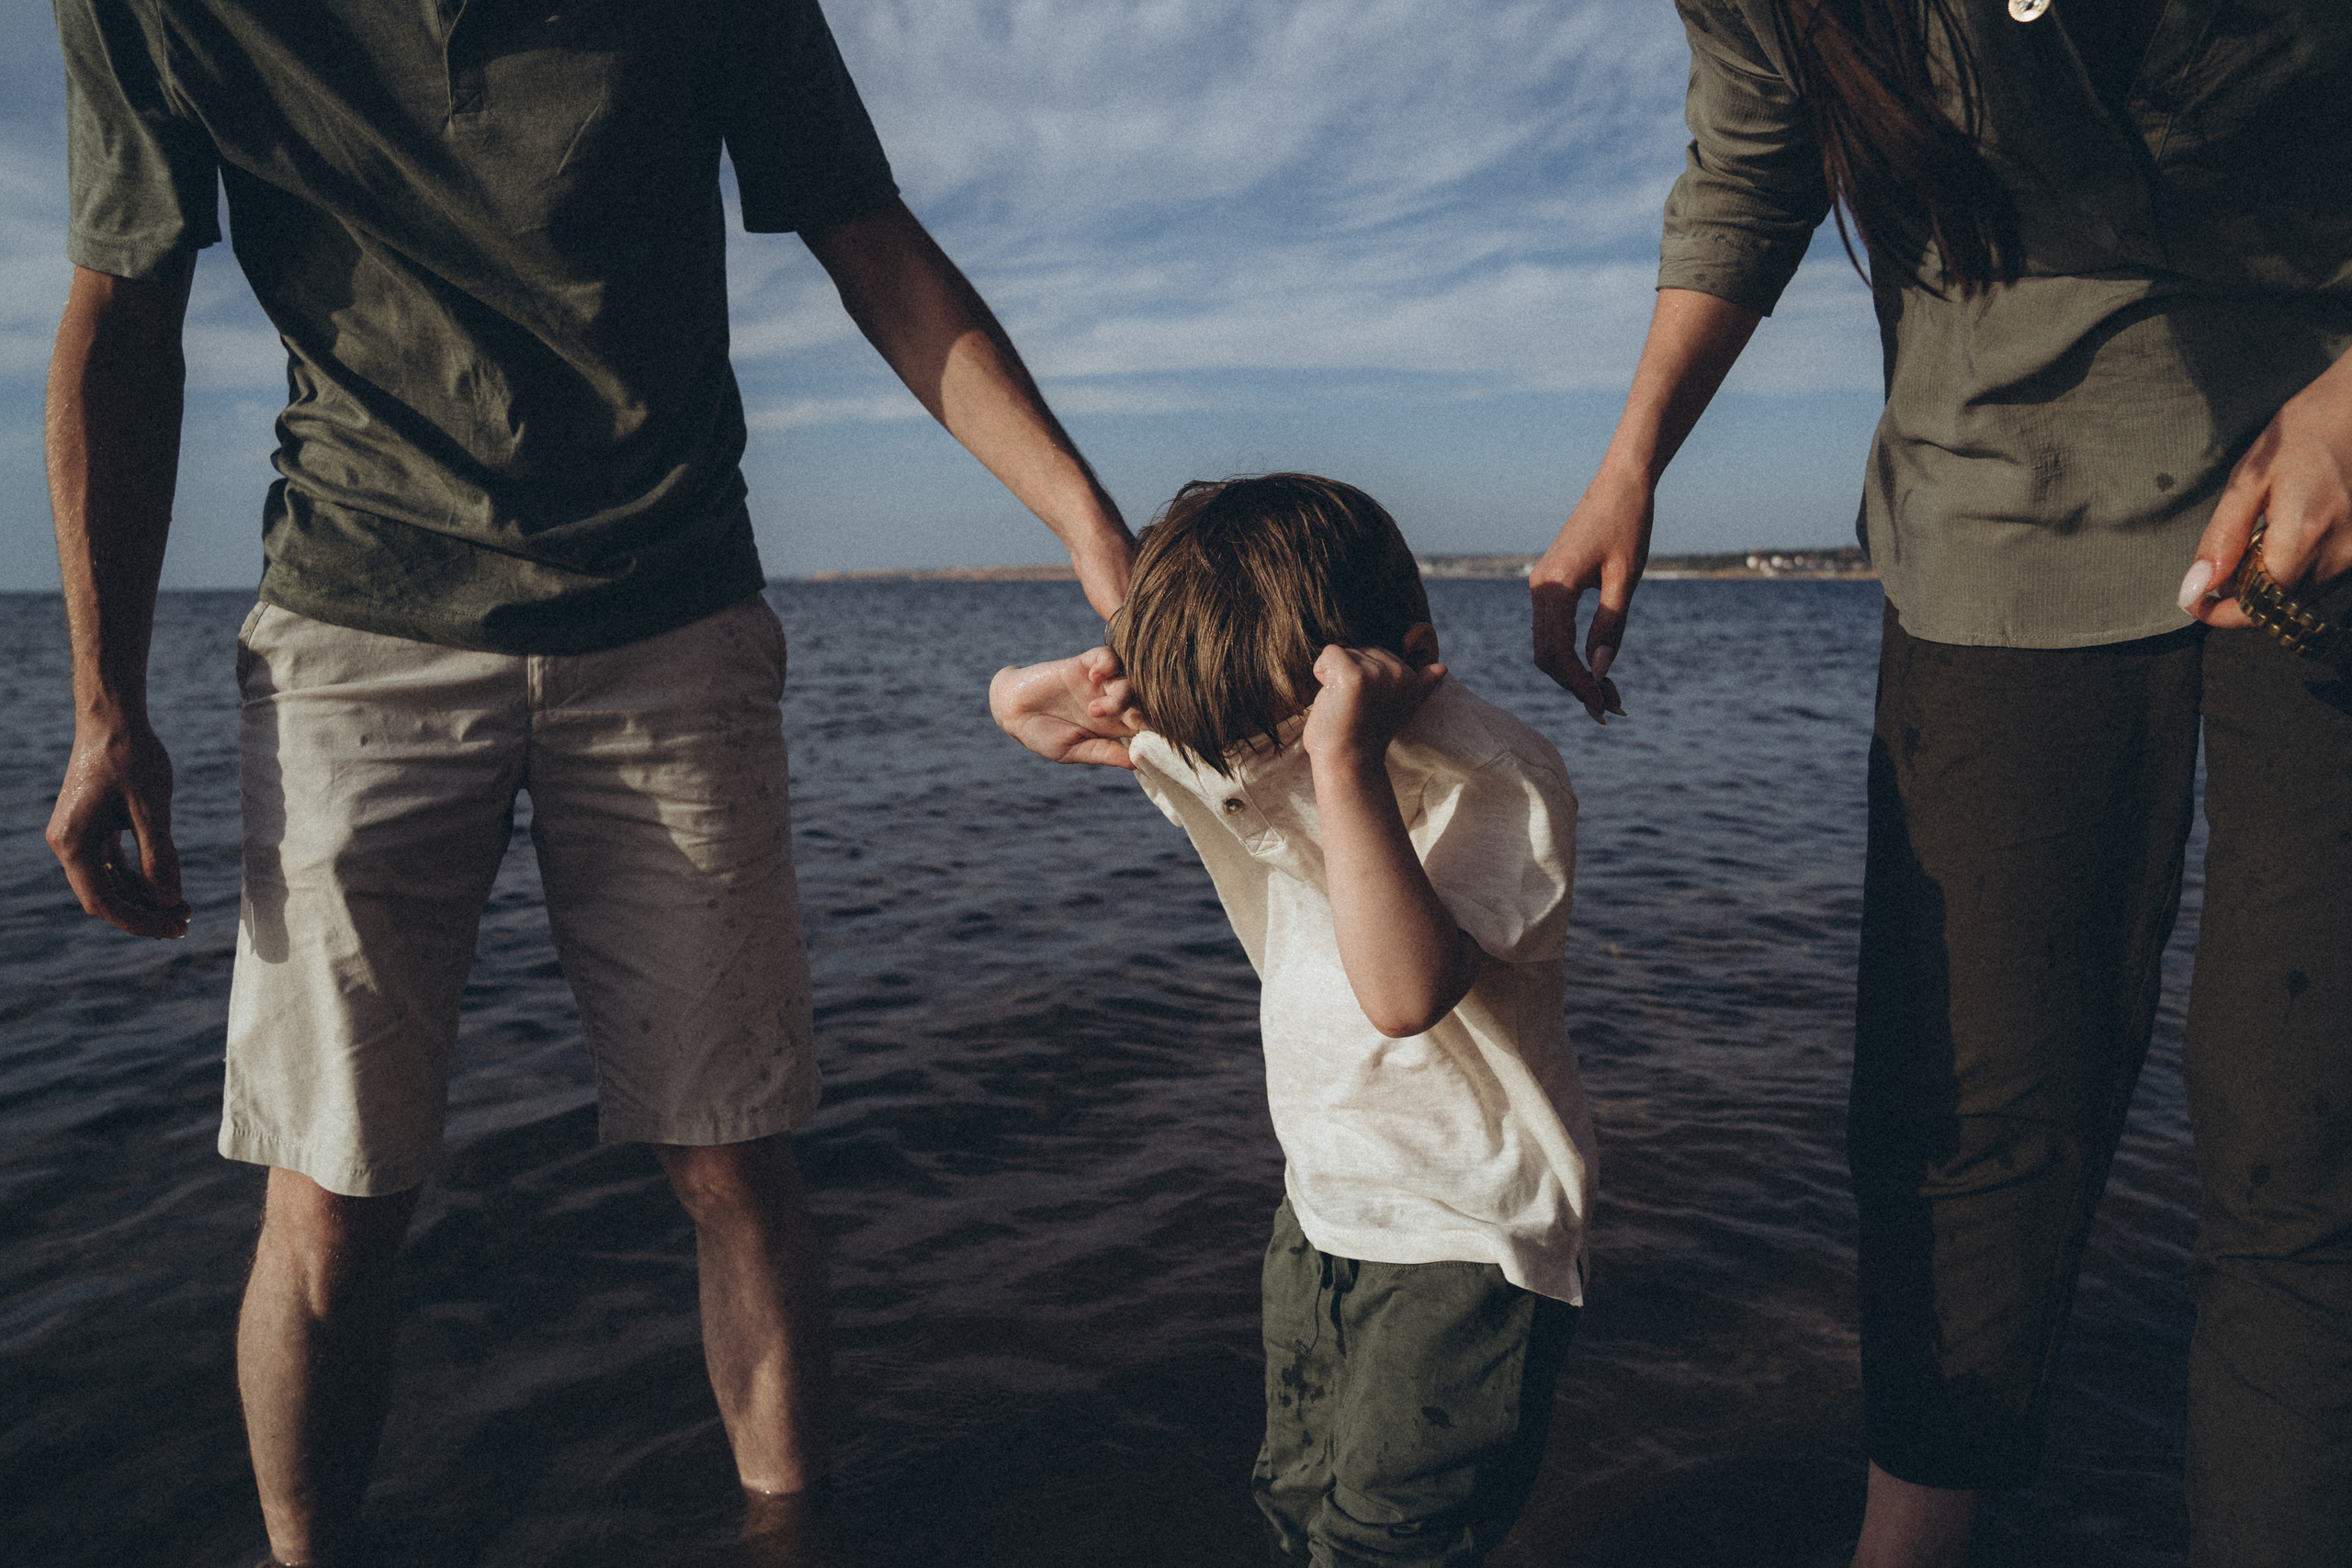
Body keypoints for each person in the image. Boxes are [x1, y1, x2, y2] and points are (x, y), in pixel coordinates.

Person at [42, 0, 1133, 1561]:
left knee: (735, 1153)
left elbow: (867, 237)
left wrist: (1099, 537)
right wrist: (103, 701)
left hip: (672, 610)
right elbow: (122, 307)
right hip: (359, 625)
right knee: (332, 1193)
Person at [1527, 2, 2351, 1565]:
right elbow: (1755, 160)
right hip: (2000, 481)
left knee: (2306, 1133)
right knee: (1960, 1113)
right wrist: (1636, 453)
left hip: (2336, 442)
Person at [989, 474, 1595, 1565]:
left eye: (1280, 734)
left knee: (1393, 1539)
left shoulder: (1496, 780)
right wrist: (1114, 673)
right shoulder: (1250, 736)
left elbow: (1404, 994)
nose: (1252, 765)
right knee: (1297, 1500)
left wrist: (1345, 758)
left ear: (1404, 658)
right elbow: (1023, 708)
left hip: (1467, 1236)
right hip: (1319, 1208)